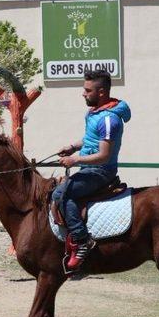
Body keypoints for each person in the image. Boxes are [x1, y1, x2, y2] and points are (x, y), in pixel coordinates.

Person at [52, 69, 131, 270]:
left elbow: (104, 155)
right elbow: (90, 140)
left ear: (102, 92)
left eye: (88, 90)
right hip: (89, 168)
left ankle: (81, 241)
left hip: (101, 172)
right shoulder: (95, 113)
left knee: (62, 194)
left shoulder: (108, 120)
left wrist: (74, 160)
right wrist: (73, 146)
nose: (83, 93)